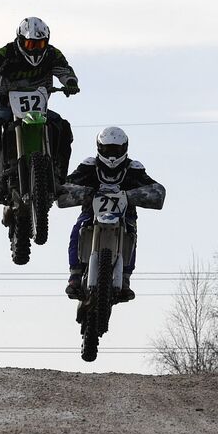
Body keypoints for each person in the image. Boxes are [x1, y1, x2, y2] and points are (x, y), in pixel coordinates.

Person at [0, 17, 80, 204]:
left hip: (39, 108)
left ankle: (58, 176)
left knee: (63, 127)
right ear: (21, 40)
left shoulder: (52, 54)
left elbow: (65, 70)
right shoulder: (7, 52)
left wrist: (70, 82)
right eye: (31, 44)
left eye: (40, 44)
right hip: (8, 105)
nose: (35, 49)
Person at [57, 127, 166, 303]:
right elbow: (65, 185)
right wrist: (83, 192)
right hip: (91, 212)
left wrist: (133, 195)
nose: (112, 154)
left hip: (125, 215)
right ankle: (75, 275)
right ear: (100, 147)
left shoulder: (133, 168)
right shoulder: (90, 166)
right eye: (108, 149)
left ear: (124, 148)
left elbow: (156, 189)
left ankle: (125, 279)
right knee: (78, 229)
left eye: (116, 149)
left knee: (131, 234)